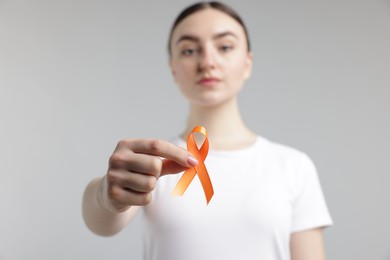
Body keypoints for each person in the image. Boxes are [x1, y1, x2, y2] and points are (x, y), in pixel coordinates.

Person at [82, 2, 333, 260]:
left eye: (224, 47)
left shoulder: (293, 166)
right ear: (173, 68)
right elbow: (102, 222)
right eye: (189, 50)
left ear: (247, 62)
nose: (207, 62)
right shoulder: (155, 166)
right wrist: (105, 195)